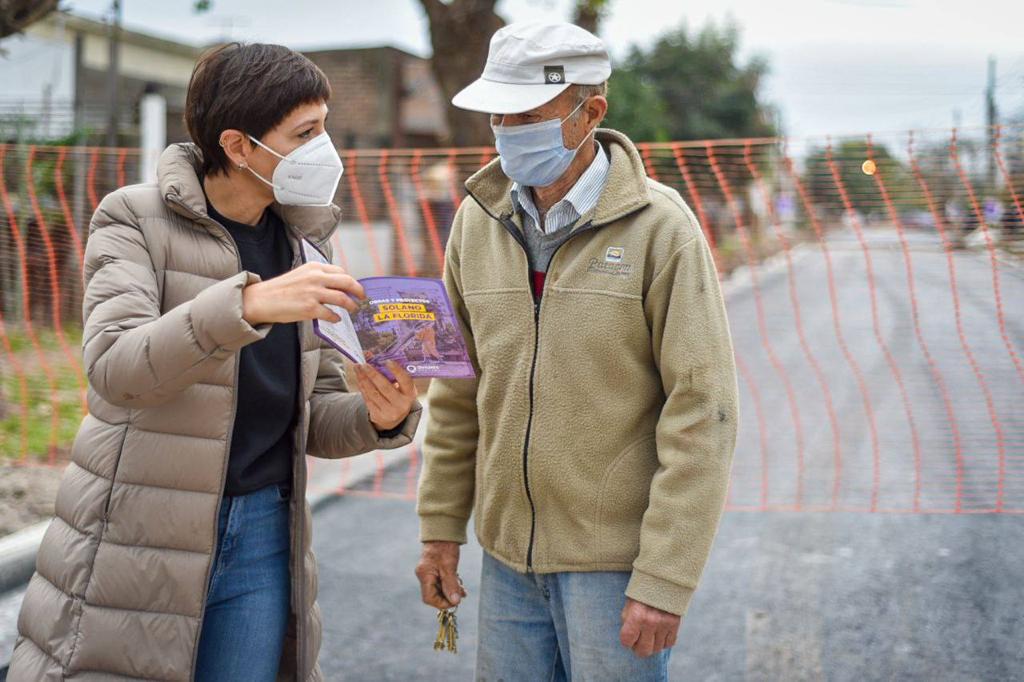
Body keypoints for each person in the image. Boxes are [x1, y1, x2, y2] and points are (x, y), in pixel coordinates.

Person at [9, 43, 421, 682]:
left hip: (265, 531)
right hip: (138, 530)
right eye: (305, 133)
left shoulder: (307, 240)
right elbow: (116, 368)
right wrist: (250, 303)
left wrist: (379, 417)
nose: (325, 150)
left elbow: (313, 415)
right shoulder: (134, 219)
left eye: (325, 128)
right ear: (238, 145)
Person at [414, 21, 739, 681]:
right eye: (497, 113)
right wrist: (441, 527)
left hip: (614, 570)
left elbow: (703, 413)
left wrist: (665, 578)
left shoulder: (662, 230)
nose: (505, 128)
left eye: (526, 114)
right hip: (506, 562)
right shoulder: (476, 220)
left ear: (590, 112)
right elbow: (455, 390)